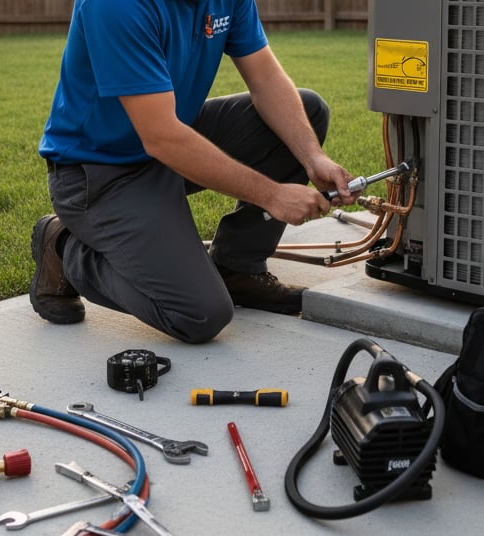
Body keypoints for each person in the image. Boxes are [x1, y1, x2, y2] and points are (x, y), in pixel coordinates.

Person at [30, 0, 356, 344]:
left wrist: (312, 157)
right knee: (199, 314)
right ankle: (63, 246)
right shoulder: (116, 5)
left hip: (168, 138)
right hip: (100, 170)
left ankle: (238, 267)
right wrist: (272, 195)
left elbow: (266, 77)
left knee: (308, 110)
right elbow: (162, 138)